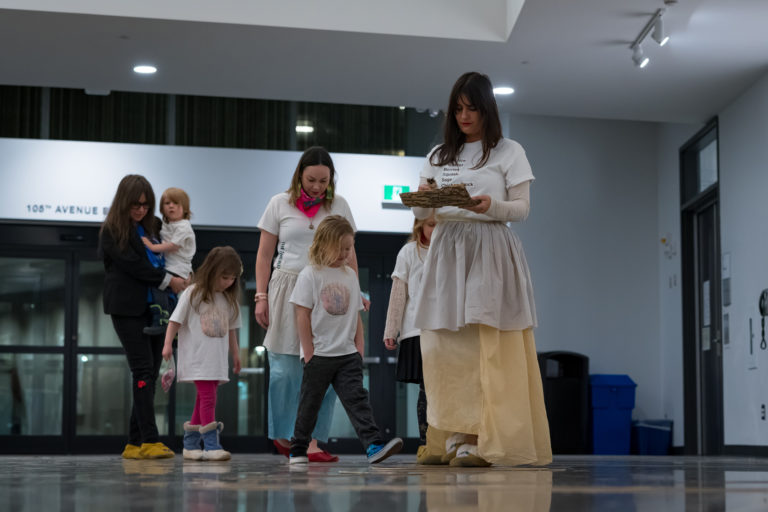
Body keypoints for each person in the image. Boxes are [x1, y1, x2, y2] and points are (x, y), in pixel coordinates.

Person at [410, 72, 552, 467]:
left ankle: (482, 436)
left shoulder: (509, 150)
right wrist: (421, 200)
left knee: (482, 344)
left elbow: (522, 208)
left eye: (472, 108)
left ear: (487, 108)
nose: (464, 116)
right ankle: (453, 433)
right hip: (446, 248)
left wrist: (491, 207)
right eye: (458, 108)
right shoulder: (439, 155)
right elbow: (425, 211)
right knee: (443, 345)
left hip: (489, 246)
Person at [255, 146, 365, 462]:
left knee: (327, 363)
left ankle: (313, 440)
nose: (317, 187)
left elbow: (351, 251)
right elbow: (264, 255)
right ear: (299, 175)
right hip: (287, 283)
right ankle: (285, 434)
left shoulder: (339, 205)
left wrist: (355, 292)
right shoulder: (279, 203)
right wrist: (260, 295)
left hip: (330, 287)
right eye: (311, 179)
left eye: (323, 181)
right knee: (284, 370)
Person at [288, 215, 402, 464]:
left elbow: (355, 315)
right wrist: (309, 352)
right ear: (322, 245)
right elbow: (301, 315)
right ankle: (298, 448)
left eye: (348, 248)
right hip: (318, 355)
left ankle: (373, 445)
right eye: (338, 248)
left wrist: (359, 347)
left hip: (347, 354)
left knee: (358, 401)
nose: (344, 253)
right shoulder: (310, 274)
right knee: (310, 404)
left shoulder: (350, 276)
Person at [99, 174, 187, 459]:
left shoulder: (153, 227)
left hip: (155, 309)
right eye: (135, 204)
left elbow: (178, 247)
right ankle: (149, 440)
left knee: (148, 370)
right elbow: (133, 266)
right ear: (124, 202)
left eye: (146, 205)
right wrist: (168, 281)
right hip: (127, 309)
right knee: (143, 371)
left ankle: (134, 443)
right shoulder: (112, 231)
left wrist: (182, 276)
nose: (141, 210)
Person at [162, 246, 243, 461]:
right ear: (212, 271)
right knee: (208, 398)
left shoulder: (228, 300)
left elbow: (232, 330)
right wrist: (167, 344)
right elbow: (175, 321)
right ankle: (211, 445)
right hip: (198, 357)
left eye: (232, 278)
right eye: (224, 277)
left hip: (216, 359)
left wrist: (235, 355)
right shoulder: (192, 293)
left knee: (203, 398)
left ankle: (190, 444)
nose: (228, 282)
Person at [382, 214, 441, 464]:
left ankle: (448, 442)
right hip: (417, 329)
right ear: (420, 226)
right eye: (431, 225)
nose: (436, 230)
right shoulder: (408, 252)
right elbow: (398, 293)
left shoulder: (451, 252)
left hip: (446, 330)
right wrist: (390, 330)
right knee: (427, 389)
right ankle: (427, 443)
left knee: (446, 389)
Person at [141, 187, 196, 335]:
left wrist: (152, 246)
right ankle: (173, 323)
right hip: (172, 265)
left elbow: (173, 246)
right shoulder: (166, 224)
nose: (171, 206)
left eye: (176, 203)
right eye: (167, 203)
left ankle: (162, 319)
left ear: (185, 208)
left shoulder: (184, 226)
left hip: (178, 267)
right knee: (163, 289)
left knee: (159, 284)